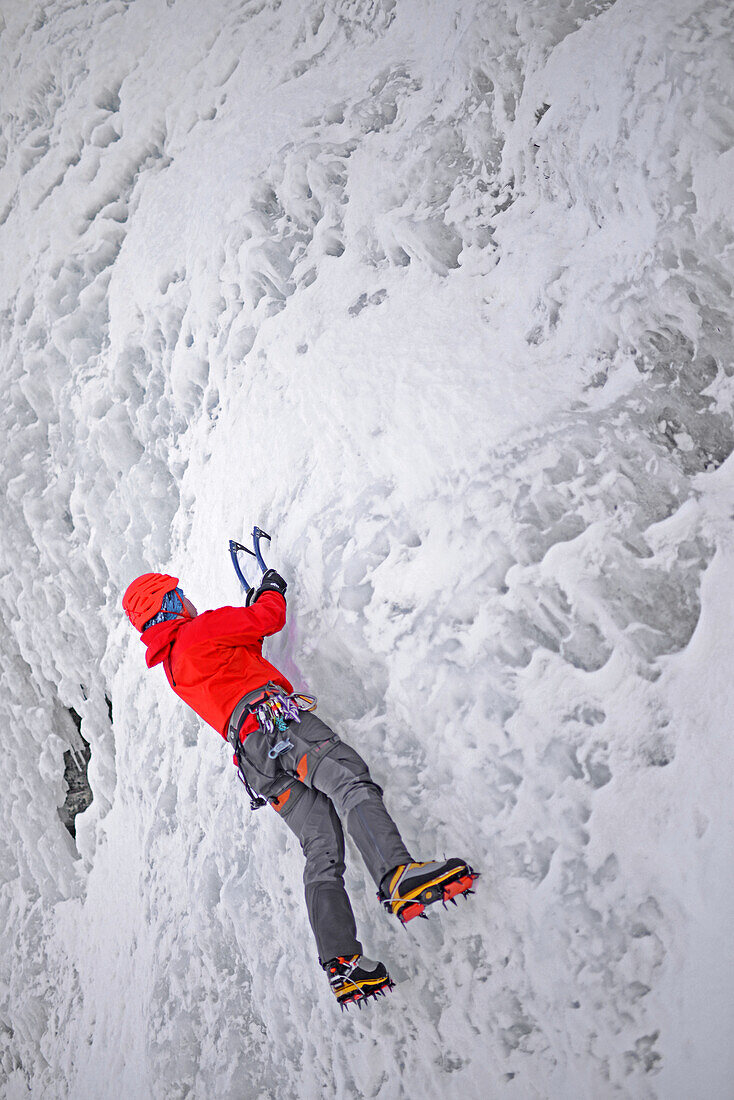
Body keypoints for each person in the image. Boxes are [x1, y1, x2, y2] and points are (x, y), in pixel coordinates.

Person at [122, 567, 476, 1007]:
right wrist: (270, 592)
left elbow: (244, 649)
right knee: (348, 780)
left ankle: (342, 963)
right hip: (279, 726)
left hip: (255, 763)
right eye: (180, 594)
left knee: (321, 847)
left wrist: (250, 615)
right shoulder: (199, 630)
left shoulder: (175, 664)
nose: (188, 600)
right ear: (170, 604)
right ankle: (397, 875)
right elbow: (268, 620)